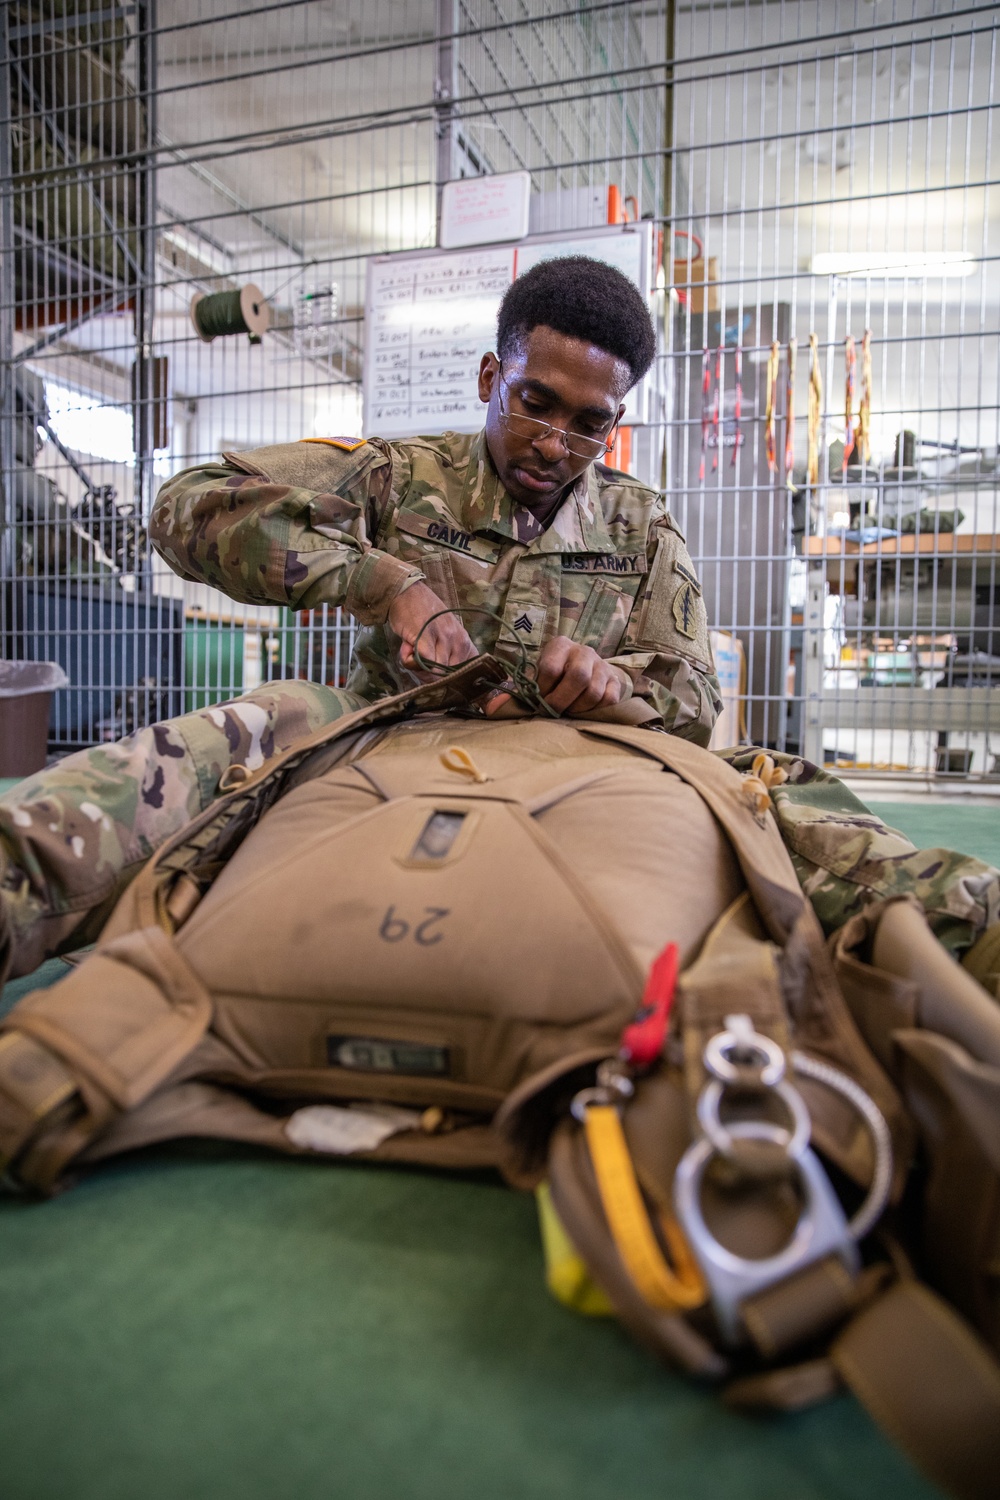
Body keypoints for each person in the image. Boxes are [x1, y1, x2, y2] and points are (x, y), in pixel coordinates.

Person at [0, 256, 997, 991]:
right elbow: (189, 503)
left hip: (590, 762)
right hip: (379, 727)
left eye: (590, 422)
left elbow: (693, 698)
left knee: (788, 807)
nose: (556, 441)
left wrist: (620, 691)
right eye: (534, 402)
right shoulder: (400, 476)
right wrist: (379, 581)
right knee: (230, 737)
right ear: (490, 378)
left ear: (616, 423)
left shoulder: (641, 523)